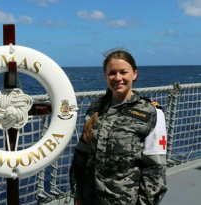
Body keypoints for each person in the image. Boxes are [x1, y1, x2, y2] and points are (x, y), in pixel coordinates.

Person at [69, 50, 168, 205]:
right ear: (105, 76)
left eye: (123, 72)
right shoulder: (96, 108)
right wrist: (78, 195)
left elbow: (155, 168)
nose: (117, 78)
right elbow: (81, 157)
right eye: (112, 73)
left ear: (134, 74)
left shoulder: (150, 112)